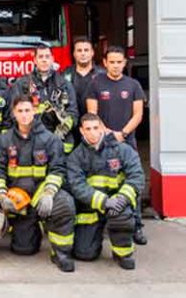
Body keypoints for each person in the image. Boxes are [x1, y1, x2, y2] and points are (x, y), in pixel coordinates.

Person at [0, 95, 76, 272]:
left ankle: (61, 252)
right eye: (20, 111)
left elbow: (57, 169)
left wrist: (49, 193)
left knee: (65, 204)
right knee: (24, 249)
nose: (24, 115)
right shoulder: (4, 141)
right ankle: (35, 226)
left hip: (41, 193)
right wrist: (1, 195)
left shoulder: (50, 140)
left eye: (27, 110)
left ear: (35, 111)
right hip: (19, 199)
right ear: (13, 113)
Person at [86, 45, 148, 245]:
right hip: (102, 140)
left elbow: (138, 114)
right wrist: (108, 133)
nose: (115, 66)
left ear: (124, 63)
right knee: (102, 181)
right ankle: (104, 223)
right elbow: (92, 114)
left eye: (119, 62)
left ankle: (136, 225)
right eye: (111, 62)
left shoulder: (133, 85)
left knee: (131, 181)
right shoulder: (95, 84)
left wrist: (123, 133)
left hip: (127, 141)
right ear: (104, 63)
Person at [67, 113, 145, 270]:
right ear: (82, 131)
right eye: (88, 129)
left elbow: (136, 176)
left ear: (103, 128)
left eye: (96, 128)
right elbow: (77, 185)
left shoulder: (123, 150)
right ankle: (92, 241)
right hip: (92, 208)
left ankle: (122, 253)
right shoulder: (76, 156)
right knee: (85, 254)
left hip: (117, 204)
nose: (93, 132)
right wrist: (103, 202)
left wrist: (122, 198)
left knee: (122, 216)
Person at [11, 44, 78, 153]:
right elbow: (13, 113)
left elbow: (73, 113)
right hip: (31, 140)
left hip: (60, 142)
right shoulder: (22, 84)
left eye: (47, 57)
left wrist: (63, 129)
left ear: (52, 59)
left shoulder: (64, 85)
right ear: (35, 60)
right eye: (41, 57)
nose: (44, 60)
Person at [60, 37, 101, 120]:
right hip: (71, 124)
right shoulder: (64, 75)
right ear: (74, 54)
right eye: (79, 50)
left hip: (95, 124)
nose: (83, 53)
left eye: (86, 50)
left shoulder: (102, 74)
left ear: (92, 53)